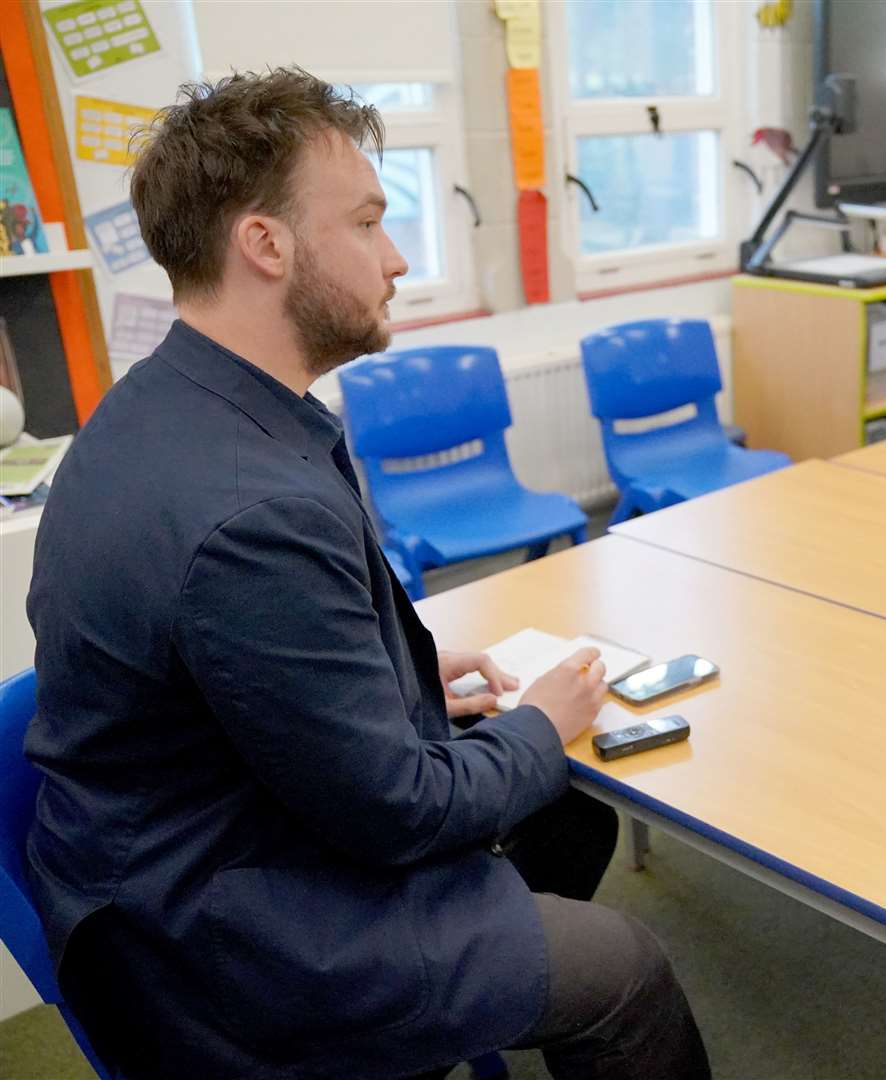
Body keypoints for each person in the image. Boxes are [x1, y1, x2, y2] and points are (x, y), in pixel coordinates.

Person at [26, 68, 709, 1079]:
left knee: (564, 813)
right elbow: (401, 812)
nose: (395, 260)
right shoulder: (253, 511)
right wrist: (541, 721)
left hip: (187, 833)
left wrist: (394, 681)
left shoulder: (161, 407)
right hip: (220, 937)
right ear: (266, 244)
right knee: (621, 967)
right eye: (369, 223)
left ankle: (459, 1000)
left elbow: (224, 666)